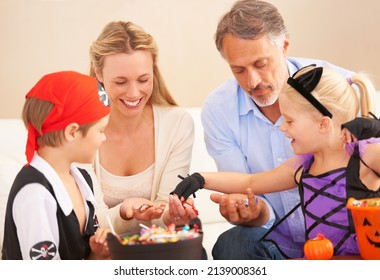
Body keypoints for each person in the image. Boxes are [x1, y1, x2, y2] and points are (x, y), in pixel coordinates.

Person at [199, 0, 362, 259]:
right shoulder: (218, 109)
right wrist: (253, 211)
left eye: (261, 64)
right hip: (277, 242)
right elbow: (248, 185)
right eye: (238, 70)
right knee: (234, 243)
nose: (252, 82)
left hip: (348, 239)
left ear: (284, 46)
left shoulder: (341, 89)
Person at [172, 64, 380, 258]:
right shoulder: (303, 167)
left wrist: (376, 129)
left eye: (289, 121)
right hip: (318, 264)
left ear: (323, 124)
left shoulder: (365, 157)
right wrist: (200, 179)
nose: (283, 128)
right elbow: (250, 183)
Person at [87, 21, 198, 236]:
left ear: (153, 71)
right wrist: (125, 212)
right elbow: (89, 221)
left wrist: (173, 214)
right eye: (120, 82)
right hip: (101, 254)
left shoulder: (177, 124)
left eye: (143, 79)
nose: (133, 93)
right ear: (99, 73)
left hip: (158, 247)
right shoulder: (81, 130)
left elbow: (166, 207)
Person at [2, 71, 111, 260]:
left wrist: (98, 254)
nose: (104, 138)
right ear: (72, 132)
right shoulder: (35, 193)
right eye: (101, 130)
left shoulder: (82, 181)